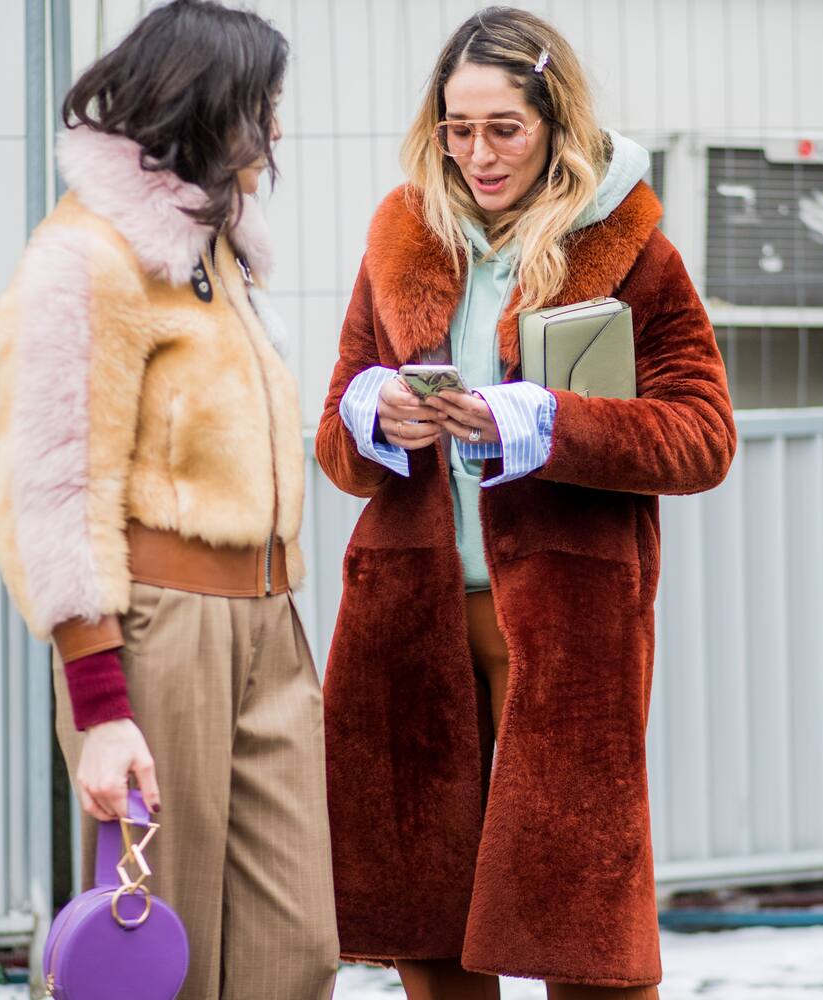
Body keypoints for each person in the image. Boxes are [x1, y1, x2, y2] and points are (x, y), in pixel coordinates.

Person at [316, 6, 736, 999]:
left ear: (555, 122)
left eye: (503, 128)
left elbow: (703, 435)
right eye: (457, 129)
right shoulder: (401, 239)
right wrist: (373, 416)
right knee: (425, 909)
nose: (477, 155)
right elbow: (336, 446)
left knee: (578, 915)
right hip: (409, 615)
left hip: (565, 623)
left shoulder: (630, 249)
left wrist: (548, 424)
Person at [0, 3, 338, 996]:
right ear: (204, 106)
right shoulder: (89, 255)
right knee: (158, 954)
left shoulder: (217, 253)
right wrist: (100, 707)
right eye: (262, 106)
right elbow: (51, 490)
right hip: (156, 632)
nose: (276, 129)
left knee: (297, 950)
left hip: (271, 623)